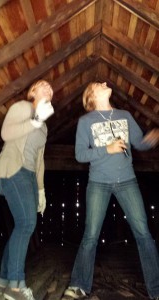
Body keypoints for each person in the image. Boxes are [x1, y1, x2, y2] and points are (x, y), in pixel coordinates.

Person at [62, 82, 159, 300]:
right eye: (99, 84)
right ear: (91, 97)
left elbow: (139, 143)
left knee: (143, 234)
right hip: (98, 182)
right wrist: (107, 148)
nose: (105, 83)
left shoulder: (124, 115)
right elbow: (80, 155)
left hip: (127, 180)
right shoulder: (86, 122)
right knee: (91, 235)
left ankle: (156, 289)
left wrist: (150, 140)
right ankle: (79, 285)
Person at [0, 79, 54, 300]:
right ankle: (15, 287)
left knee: (22, 225)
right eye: (43, 85)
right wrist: (34, 120)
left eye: (51, 87)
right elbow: (6, 134)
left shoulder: (44, 127)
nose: (49, 87)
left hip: (27, 175)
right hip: (11, 169)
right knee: (26, 224)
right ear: (32, 91)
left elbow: (39, 161)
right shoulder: (23, 108)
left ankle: (2, 282)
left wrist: (41, 190)